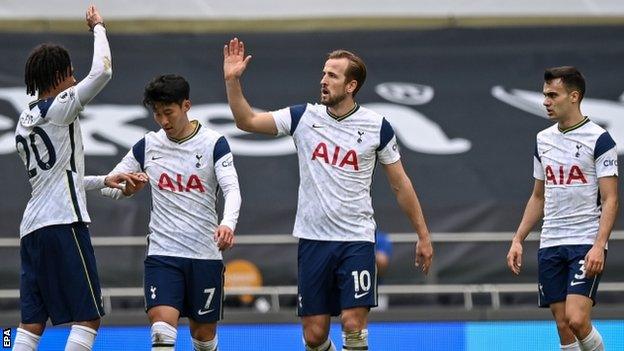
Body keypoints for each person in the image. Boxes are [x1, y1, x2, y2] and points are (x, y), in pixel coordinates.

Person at [223, 37, 433, 351]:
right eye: (323, 74)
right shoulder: (303, 117)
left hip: (356, 240)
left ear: (351, 86)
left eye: (332, 76)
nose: (323, 81)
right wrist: (232, 80)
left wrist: (423, 234)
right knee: (314, 335)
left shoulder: (377, 127)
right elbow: (247, 121)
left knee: (352, 323)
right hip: (313, 240)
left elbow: (400, 183)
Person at [12, 6, 142, 351]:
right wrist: (99, 27)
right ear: (57, 78)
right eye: (69, 74)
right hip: (63, 224)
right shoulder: (60, 107)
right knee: (89, 316)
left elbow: (59, 179)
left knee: (31, 323)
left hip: (32, 230)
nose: (73, 80)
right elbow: (103, 72)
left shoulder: (22, 124)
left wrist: (105, 181)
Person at [89, 74, 241, 351]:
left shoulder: (214, 143)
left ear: (186, 105)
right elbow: (108, 186)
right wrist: (126, 188)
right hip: (163, 254)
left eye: (168, 112)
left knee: (204, 338)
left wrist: (227, 223)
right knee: (161, 330)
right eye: (157, 114)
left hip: (204, 254)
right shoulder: (148, 145)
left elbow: (232, 190)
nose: (163, 121)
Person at [507, 66, 618, 351]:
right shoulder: (542, 140)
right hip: (551, 242)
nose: (545, 101)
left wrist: (599, 245)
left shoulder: (599, 139)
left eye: (552, 95)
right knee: (562, 326)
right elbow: (538, 197)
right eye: (544, 95)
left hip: (584, 241)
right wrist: (518, 238)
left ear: (574, 96)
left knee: (577, 318)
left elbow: (610, 199)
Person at [373, 229, 393, 310]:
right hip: (348, 291)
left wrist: (362, 253)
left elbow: (382, 263)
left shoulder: (380, 238)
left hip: (376, 291)